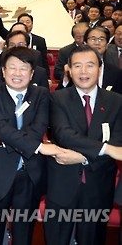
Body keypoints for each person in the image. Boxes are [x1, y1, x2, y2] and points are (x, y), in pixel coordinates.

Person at [0, 47, 62, 245]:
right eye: (12, 68)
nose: (17, 73)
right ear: (3, 70)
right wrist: (38, 147)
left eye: (23, 68)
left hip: (30, 175)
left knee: (24, 234)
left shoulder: (41, 94)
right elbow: (0, 127)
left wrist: (9, 141)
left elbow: (39, 128)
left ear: (32, 73)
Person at [45, 45, 122, 245]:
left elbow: (118, 143)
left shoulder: (116, 101)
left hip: (98, 187)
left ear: (100, 68)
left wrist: (83, 157)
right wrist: (105, 149)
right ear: (69, 70)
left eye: (90, 65)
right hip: (62, 186)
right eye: (77, 66)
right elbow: (64, 135)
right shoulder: (57, 97)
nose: (84, 71)